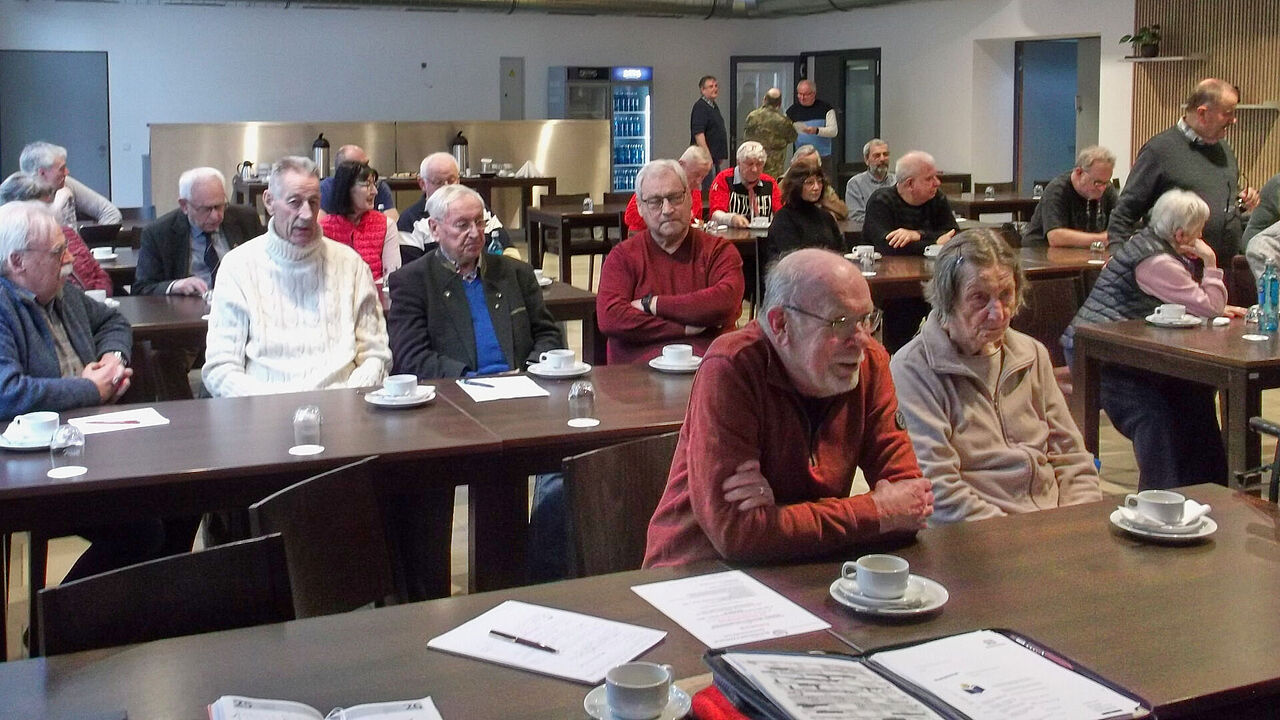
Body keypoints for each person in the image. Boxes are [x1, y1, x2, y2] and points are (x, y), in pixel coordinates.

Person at [643, 248, 933, 567]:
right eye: (840, 323)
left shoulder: (869, 365)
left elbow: (910, 503)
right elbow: (737, 535)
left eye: (866, 319)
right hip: (697, 573)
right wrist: (876, 511)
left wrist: (777, 520)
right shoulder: (733, 366)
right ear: (780, 324)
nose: (862, 340)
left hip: (807, 569)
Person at [0, 201, 196, 581]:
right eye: (58, 252)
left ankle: (149, 610)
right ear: (17, 262)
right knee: (140, 531)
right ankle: (62, 624)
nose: (70, 258)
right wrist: (88, 388)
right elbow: (8, 393)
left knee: (187, 497)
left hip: (93, 439)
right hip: (36, 461)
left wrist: (111, 358)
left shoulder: (60, 292)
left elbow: (113, 320)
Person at [890, 229, 1101, 524]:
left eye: (1006, 295)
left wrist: (1078, 520)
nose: (998, 313)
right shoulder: (914, 368)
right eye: (979, 298)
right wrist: (1018, 537)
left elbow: (1072, 457)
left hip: (1053, 526)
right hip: (979, 537)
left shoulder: (1031, 353)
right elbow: (939, 489)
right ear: (946, 299)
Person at [1066, 189, 1246, 490]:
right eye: (1199, 231)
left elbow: (1194, 302)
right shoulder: (1157, 261)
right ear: (1180, 233)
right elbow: (1209, 307)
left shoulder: (1144, 243)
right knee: (1154, 416)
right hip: (1100, 360)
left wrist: (1205, 303)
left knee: (1196, 393)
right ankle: (1159, 499)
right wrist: (1211, 261)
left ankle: (1209, 490)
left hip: (1125, 355)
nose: (1202, 237)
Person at [202, 156, 390, 397]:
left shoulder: (351, 265)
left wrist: (347, 400)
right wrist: (273, 407)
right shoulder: (237, 267)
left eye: (313, 202)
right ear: (269, 202)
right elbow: (221, 368)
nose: (306, 214)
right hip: (263, 413)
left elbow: (376, 354)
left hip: (344, 407)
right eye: (294, 202)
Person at [387, 183, 562, 378]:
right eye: (462, 225)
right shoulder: (412, 282)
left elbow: (549, 335)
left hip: (522, 385)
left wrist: (530, 369)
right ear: (434, 229)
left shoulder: (517, 273)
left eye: (479, 222)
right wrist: (469, 378)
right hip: (455, 393)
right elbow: (412, 357)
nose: (475, 233)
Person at [597, 159, 744, 365]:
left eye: (675, 197)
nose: (667, 209)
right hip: (635, 380)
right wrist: (683, 327)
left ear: (690, 199)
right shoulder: (623, 256)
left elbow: (724, 303)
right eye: (655, 201)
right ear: (639, 207)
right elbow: (611, 318)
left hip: (707, 372)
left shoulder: (719, 251)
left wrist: (652, 304)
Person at [1108, 78, 1260, 261]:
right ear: (1202, 113)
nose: (1233, 120)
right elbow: (1124, 214)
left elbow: (1219, 191)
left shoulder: (1224, 149)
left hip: (1224, 267)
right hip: (1174, 270)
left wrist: (1242, 197)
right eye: (1228, 113)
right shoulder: (1159, 151)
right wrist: (1120, 262)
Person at [134, 167, 264, 296]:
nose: (216, 216)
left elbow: (267, 269)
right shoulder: (158, 233)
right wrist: (174, 286)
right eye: (206, 209)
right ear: (184, 206)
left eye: (220, 206)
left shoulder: (246, 219)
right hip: (188, 310)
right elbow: (142, 288)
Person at [0, 172, 112, 296]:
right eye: (39, 207)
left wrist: (97, 296)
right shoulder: (17, 250)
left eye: (48, 205)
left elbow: (100, 274)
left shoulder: (67, 233)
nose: (47, 213)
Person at [398, 152, 517, 263]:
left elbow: (508, 249)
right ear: (422, 184)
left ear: (459, 180)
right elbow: (412, 271)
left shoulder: (477, 210)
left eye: (451, 181)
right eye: (438, 182)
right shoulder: (410, 221)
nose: (446, 188)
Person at [863, 150, 958, 256]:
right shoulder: (881, 201)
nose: (937, 183)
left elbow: (954, 235)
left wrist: (918, 235)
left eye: (936, 177)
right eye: (929, 179)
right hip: (887, 268)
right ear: (910, 184)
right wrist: (934, 244)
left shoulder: (936, 197)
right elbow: (887, 247)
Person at [320, 161, 401, 284]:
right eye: (367, 185)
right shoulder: (323, 229)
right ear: (347, 188)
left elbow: (392, 275)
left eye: (374, 184)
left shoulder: (386, 225)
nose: (375, 191)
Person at [1021, 146, 1119, 248]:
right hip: (1041, 254)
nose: (1102, 188)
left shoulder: (1107, 189)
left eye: (1106, 183)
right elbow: (1055, 237)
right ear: (1079, 172)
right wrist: (1102, 238)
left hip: (1084, 254)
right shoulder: (1057, 190)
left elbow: (1122, 222)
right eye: (1097, 183)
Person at [763, 154, 844, 270]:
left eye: (820, 182)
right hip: (794, 279)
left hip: (828, 274)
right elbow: (793, 260)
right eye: (809, 183)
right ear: (796, 186)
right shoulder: (784, 218)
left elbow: (840, 251)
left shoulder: (826, 217)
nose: (816, 187)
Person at [19, 141, 121, 227]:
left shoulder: (66, 184)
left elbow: (110, 213)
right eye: (61, 169)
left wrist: (90, 246)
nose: (67, 172)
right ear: (42, 173)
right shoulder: (15, 200)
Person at [624, 146, 711, 232]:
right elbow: (630, 217)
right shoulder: (658, 181)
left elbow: (695, 221)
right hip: (647, 238)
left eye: (703, 177)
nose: (699, 181)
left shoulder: (694, 191)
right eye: (696, 174)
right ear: (681, 165)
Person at [708, 141, 782, 228]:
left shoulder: (769, 182)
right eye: (749, 164)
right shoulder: (724, 179)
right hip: (732, 237)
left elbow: (780, 212)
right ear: (738, 162)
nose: (754, 169)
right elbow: (715, 214)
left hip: (764, 237)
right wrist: (731, 218)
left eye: (759, 164)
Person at [319, 144, 398, 222]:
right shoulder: (326, 189)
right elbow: (318, 226)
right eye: (362, 166)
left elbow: (393, 222)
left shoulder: (378, 186)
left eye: (367, 164)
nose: (374, 191)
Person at [786, 80, 839, 182]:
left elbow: (833, 131)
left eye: (805, 95)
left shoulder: (826, 109)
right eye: (800, 94)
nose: (802, 98)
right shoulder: (792, 111)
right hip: (801, 157)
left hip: (822, 157)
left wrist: (817, 130)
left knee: (824, 185)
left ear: (813, 94)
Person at [744, 88, 797, 179]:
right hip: (774, 166)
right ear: (779, 104)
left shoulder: (752, 116)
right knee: (771, 188)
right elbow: (793, 137)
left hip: (753, 162)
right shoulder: (783, 121)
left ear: (764, 99)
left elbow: (746, 136)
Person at [690, 75, 729, 193]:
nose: (715, 89)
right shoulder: (701, 107)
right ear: (703, 90)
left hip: (713, 158)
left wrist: (719, 154)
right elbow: (698, 133)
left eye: (716, 86)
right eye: (711, 86)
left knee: (715, 187)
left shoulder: (713, 106)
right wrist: (707, 155)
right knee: (709, 190)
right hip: (705, 158)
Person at [844, 139, 895, 223]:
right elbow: (855, 216)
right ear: (866, 160)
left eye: (885, 154)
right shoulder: (855, 184)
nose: (882, 159)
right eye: (877, 155)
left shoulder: (897, 181)